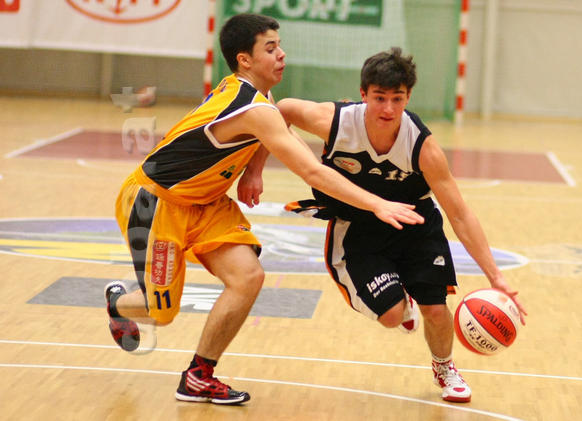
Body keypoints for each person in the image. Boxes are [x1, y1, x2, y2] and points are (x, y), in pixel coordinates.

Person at [104, 16, 424, 406]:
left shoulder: (258, 97)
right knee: (160, 312)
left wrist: (254, 170)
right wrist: (377, 203)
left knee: (248, 277)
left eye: (279, 45)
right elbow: (310, 170)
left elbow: (276, 133)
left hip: (205, 203)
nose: (282, 54)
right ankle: (118, 303)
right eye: (270, 48)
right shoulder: (253, 108)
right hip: (155, 203)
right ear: (245, 60)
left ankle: (199, 376)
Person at [264, 47, 528, 403]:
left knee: (436, 309)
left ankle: (444, 367)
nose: (388, 109)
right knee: (390, 316)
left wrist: (495, 277)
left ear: (408, 97)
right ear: (363, 94)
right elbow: (279, 111)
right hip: (360, 226)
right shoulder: (335, 122)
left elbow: (460, 214)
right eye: (379, 98)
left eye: (397, 99)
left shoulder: (422, 146)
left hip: (414, 223)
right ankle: (400, 306)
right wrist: (254, 170)